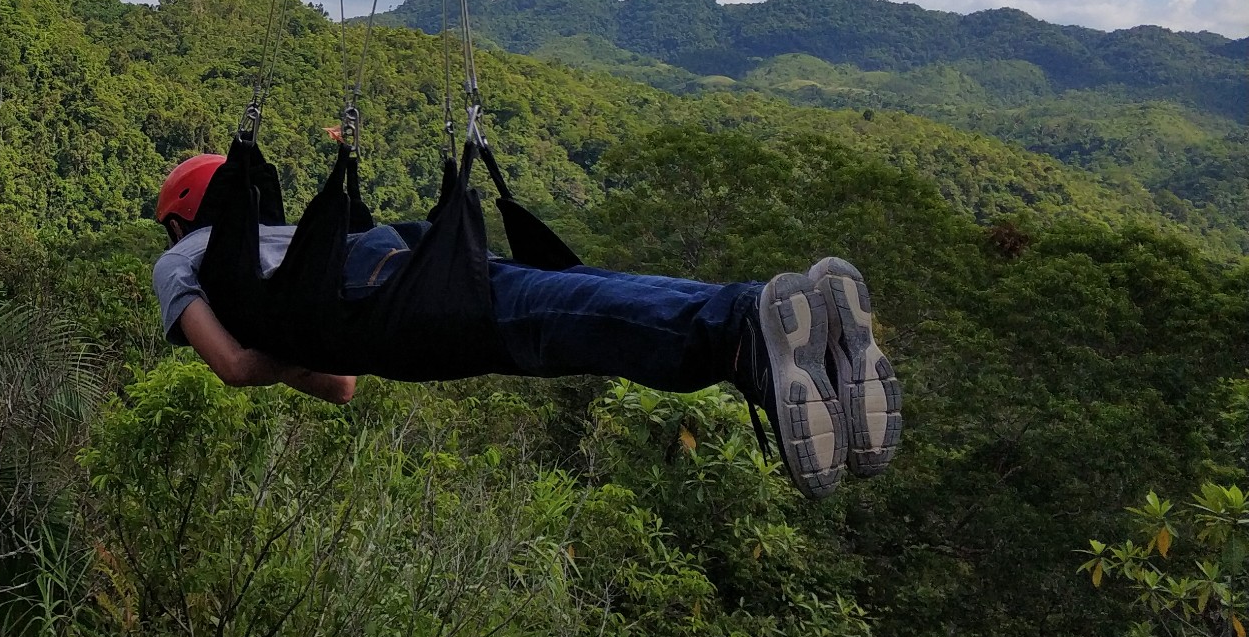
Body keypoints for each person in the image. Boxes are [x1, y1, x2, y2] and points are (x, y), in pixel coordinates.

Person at [151, 153, 901, 499]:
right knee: (573, 290)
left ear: (183, 214)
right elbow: (342, 384)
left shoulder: (184, 260)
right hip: (404, 251)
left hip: (388, 307)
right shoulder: (276, 239)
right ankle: (786, 327)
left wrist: (287, 348)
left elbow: (241, 368)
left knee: (565, 329)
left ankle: (744, 338)